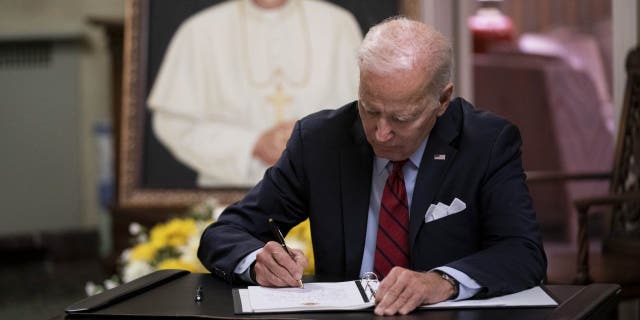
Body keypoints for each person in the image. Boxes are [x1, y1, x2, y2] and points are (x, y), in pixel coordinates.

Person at [198, 17, 546, 316]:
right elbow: (224, 234)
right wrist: (258, 259)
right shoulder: (320, 140)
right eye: (369, 109)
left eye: (401, 117)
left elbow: (523, 253)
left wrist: (441, 282)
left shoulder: (486, 142)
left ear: (442, 100)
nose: (381, 133)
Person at [147, 0, 362, 186]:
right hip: (228, 200)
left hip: (323, 194)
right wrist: (252, 145)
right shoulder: (200, 30)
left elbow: (364, 115)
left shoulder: (338, 25)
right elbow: (174, 124)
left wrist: (311, 141)